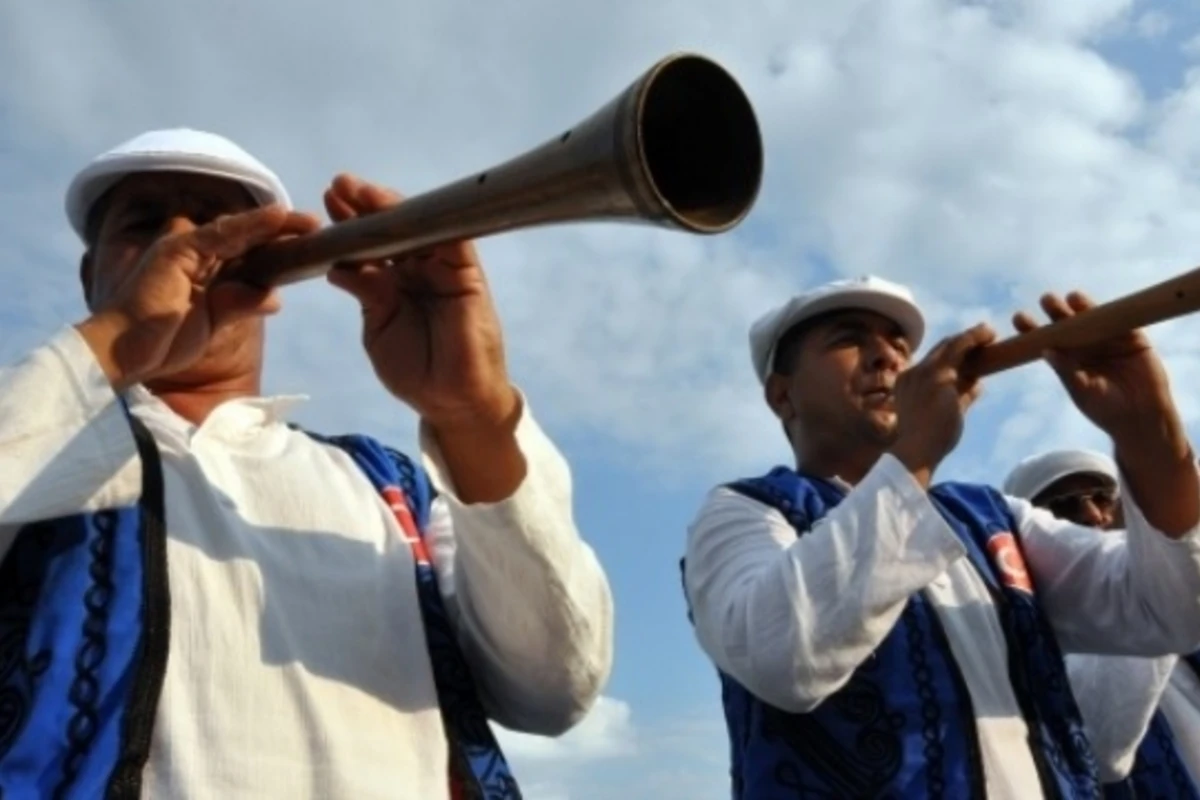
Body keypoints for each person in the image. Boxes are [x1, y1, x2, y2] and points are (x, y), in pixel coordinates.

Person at [0, 128, 614, 799]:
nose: (177, 239)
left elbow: (556, 687)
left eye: (216, 225)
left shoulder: (387, 486)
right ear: (92, 279)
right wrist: (116, 342)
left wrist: (473, 415)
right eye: (143, 224)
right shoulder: (38, 438)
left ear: (273, 271)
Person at [680, 274, 1200, 798]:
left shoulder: (993, 517)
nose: (887, 356)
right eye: (848, 338)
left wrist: (1147, 430)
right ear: (782, 395)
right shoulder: (742, 511)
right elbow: (783, 659)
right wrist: (917, 452)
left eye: (899, 344)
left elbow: (1171, 609)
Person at [1005, 450, 1200, 798]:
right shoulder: (1029, 648)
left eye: (1103, 498)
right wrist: (1157, 589)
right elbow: (1099, 742)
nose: (1093, 515)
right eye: (1064, 506)